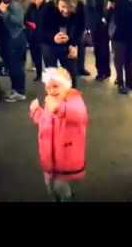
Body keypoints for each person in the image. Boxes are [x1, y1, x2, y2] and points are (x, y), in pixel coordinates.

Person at [29, 67, 88, 202]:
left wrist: (59, 109)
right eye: (48, 87)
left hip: (64, 157)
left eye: (56, 86)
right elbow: (43, 121)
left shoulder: (75, 100)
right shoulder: (50, 101)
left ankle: (67, 198)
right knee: (50, 187)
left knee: (61, 186)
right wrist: (36, 111)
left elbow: (79, 115)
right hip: (48, 156)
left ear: (67, 86)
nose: (51, 91)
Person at [39, 0, 85, 88]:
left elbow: (80, 27)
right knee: (52, 72)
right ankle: (53, 98)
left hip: (68, 40)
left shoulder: (80, 6)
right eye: (63, 6)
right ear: (57, 3)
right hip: (49, 42)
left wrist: (74, 44)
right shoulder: (48, 8)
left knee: (71, 72)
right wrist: (52, 38)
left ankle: (71, 97)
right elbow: (40, 31)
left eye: (70, 7)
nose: (66, 10)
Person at [0, 0, 27, 103]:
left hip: (15, 38)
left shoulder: (13, 3)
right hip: (6, 39)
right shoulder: (0, 3)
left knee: (15, 66)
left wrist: (5, 12)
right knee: (11, 66)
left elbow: (19, 21)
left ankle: (20, 92)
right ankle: (15, 90)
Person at [87, 0, 111, 81]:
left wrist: (106, 18)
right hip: (95, 27)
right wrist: (88, 26)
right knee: (97, 50)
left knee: (105, 50)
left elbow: (110, 10)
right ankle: (100, 72)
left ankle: (106, 71)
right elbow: (89, 12)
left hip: (105, 27)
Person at [25, 0, 47, 81]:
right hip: (34, 36)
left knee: (47, 56)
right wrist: (31, 24)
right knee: (36, 56)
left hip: (45, 36)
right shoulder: (31, 7)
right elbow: (25, 20)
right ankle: (38, 74)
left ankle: (50, 75)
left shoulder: (47, 7)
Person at [72, 0, 91, 77]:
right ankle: (72, 68)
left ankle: (81, 68)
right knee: (72, 46)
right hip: (72, 24)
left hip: (84, 23)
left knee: (82, 47)